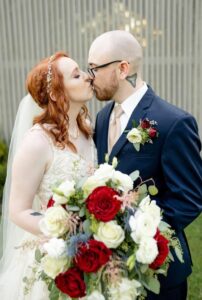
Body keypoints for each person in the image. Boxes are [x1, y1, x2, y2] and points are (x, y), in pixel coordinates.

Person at [89, 30, 202, 300]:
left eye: (94, 68)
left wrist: (134, 231)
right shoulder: (103, 118)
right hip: (113, 269)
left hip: (161, 271)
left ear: (122, 68)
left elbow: (190, 199)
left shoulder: (173, 122)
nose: (89, 76)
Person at [0, 51, 95, 299]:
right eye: (77, 75)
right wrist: (62, 232)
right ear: (55, 93)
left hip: (92, 251)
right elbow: (17, 210)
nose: (88, 77)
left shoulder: (88, 132)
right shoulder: (38, 141)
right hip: (53, 255)